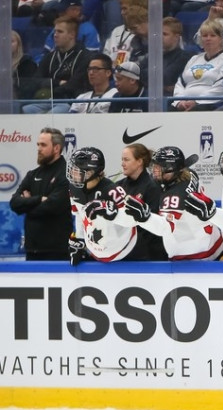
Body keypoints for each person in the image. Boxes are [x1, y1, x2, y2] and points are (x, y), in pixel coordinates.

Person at [123, 146, 223, 261]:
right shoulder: (190, 174)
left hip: (196, 256)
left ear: (171, 168)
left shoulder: (174, 197)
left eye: (158, 167)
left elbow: (164, 228)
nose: (154, 171)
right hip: (213, 242)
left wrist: (145, 218)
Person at [65, 147, 139, 265]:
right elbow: (80, 215)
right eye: (73, 169)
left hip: (124, 251)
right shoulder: (74, 188)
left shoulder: (113, 191)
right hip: (95, 251)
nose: (73, 174)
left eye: (77, 171)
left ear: (91, 173)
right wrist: (79, 239)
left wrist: (112, 212)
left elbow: (134, 220)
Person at [10, 127, 72, 261]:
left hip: (58, 251)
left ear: (56, 148)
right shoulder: (32, 174)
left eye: (43, 145)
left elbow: (53, 206)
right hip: (32, 250)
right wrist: (39, 199)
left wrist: (27, 204)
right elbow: (14, 203)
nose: (38, 148)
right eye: (38, 144)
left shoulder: (66, 174)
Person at [23, 17, 92, 114]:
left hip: (70, 101)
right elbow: (35, 81)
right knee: (25, 109)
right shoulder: (49, 57)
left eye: (60, 32)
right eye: (55, 31)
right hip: (47, 100)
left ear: (72, 35)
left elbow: (73, 85)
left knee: (53, 114)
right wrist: (58, 82)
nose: (55, 35)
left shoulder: (84, 56)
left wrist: (49, 88)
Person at [116, 143, 168, 260]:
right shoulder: (118, 186)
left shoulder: (153, 187)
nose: (122, 163)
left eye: (126, 160)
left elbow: (154, 227)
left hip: (149, 256)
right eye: (122, 159)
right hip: (124, 251)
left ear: (139, 161)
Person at [172, 19, 223, 111]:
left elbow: (222, 86)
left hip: (210, 104)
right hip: (184, 104)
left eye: (213, 35)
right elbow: (180, 83)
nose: (208, 38)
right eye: (205, 36)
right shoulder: (194, 59)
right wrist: (179, 101)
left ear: (220, 38)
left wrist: (197, 101)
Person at [138, 17, 196, 96]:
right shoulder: (152, 56)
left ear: (176, 37)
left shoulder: (184, 57)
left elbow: (165, 77)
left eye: (165, 34)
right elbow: (138, 74)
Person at [102, 0, 144, 67]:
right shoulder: (116, 31)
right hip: (112, 73)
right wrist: (110, 64)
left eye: (125, 9)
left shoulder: (142, 32)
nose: (122, 13)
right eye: (121, 9)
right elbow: (105, 54)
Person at [12, 30, 38, 107]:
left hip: (21, 101)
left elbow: (30, 86)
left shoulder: (27, 62)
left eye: (11, 41)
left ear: (18, 44)